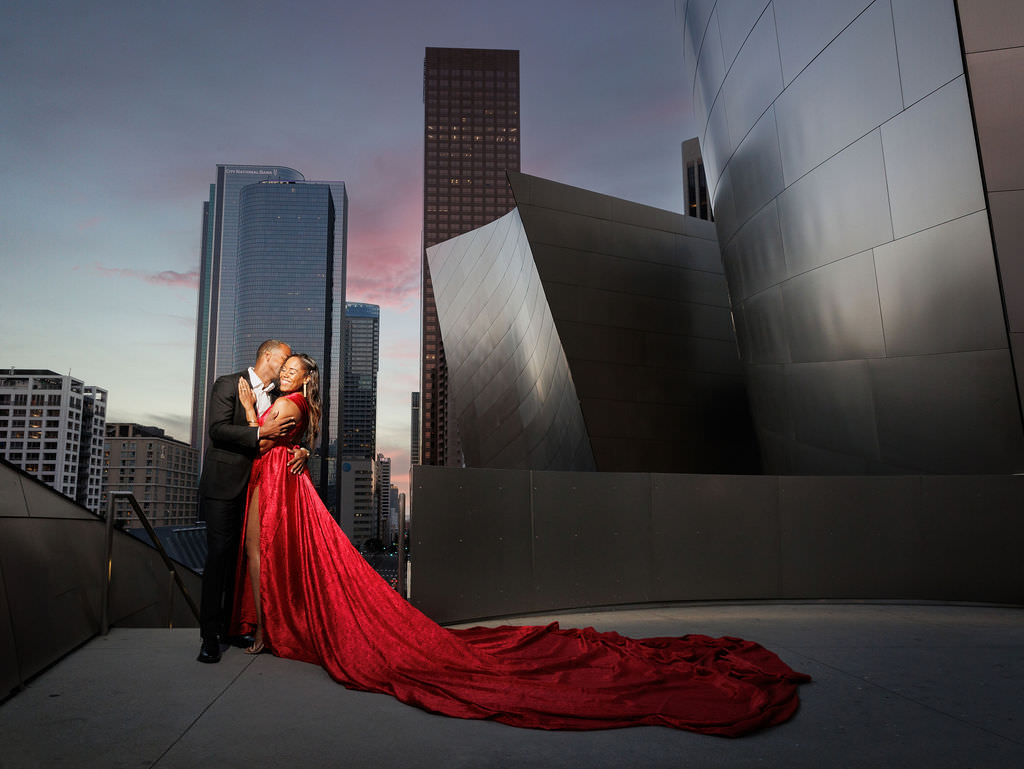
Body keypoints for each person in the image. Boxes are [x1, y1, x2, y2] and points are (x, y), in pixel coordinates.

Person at [231, 353, 811, 735]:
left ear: (303, 382)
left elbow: (261, 436)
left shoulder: (286, 405)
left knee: (269, 549)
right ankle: (273, 622)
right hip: (284, 477)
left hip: (278, 477)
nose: (284, 375)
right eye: (281, 371)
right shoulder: (299, 409)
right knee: (274, 551)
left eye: (293, 372)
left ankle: (270, 626)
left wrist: (249, 402)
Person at [196, 339, 308, 664]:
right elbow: (217, 430)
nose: (288, 366)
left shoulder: (277, 398)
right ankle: (209, 638)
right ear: (269, 356)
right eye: (285, 359)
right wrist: (259, 433)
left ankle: (234, 628)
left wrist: (303, 451)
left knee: (242, 563)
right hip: (223, 485)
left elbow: (290, 436)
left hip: (258, 488)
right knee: (219, 558)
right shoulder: (229, 384)